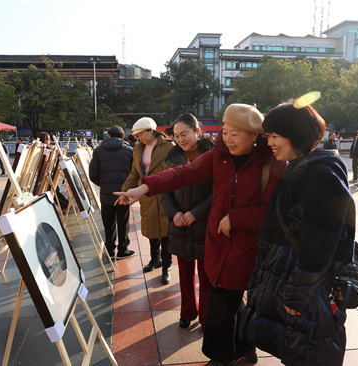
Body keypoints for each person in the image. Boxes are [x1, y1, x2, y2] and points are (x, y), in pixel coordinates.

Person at [115, 104, 285, 365]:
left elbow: (271, 212)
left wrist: (234, 218)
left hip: (245, 245)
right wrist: (145, 187)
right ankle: (244, 350)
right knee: (230, 298)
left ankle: (221, 358)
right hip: (216, 241)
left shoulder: (272, 163)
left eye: (235, 134)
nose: (227, 139)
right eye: (225, 132)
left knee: (222, 303)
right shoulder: (219, 155)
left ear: (254, 136)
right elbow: (186, 173)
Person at [241, 99, 354, 366]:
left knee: (310, 352)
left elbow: (321, 243)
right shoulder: (299, 167)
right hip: (290, 281)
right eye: (268, 136)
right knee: (296, 349)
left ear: (297, 133)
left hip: (305, 290)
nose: (269, 142)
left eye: (275, 136)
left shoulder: (320, 174)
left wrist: (298, 295)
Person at [160, 113, 214, 329]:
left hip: (204, 224)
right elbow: (164, 190)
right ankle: (187, 311)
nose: (181, 139)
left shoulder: (211, 156)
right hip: (180, 225)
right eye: (176, 136)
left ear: (197, 132)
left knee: (207, 276)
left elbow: (218, 191)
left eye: (185, 134)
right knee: (184, 274)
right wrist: (174, 214)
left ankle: (206, 317)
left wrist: (196, 213)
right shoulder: (172, 158)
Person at [121, 117, 175, 284]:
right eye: (137, 135)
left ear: (151, 131)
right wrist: (124, 191)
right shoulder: (137, 149)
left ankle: (167, 265)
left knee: (166, 232)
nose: (139, 138)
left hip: (165, 194)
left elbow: (175, 172)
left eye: (141, 134)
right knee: (151, 230)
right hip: (147, 195)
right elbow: (135, 173)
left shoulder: (169, 146)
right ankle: (155, 259)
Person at [89, 126, 135, 260]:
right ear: (122, 136)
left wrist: (103, 184)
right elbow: (134, 173)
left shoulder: (98, 150)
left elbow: (93, 174)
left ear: (108, 135)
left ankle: (109, 250)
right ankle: (123, 250)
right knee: (123, 221)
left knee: (108, 223)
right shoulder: (129, 150)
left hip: (106, 193)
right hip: (124, 193)